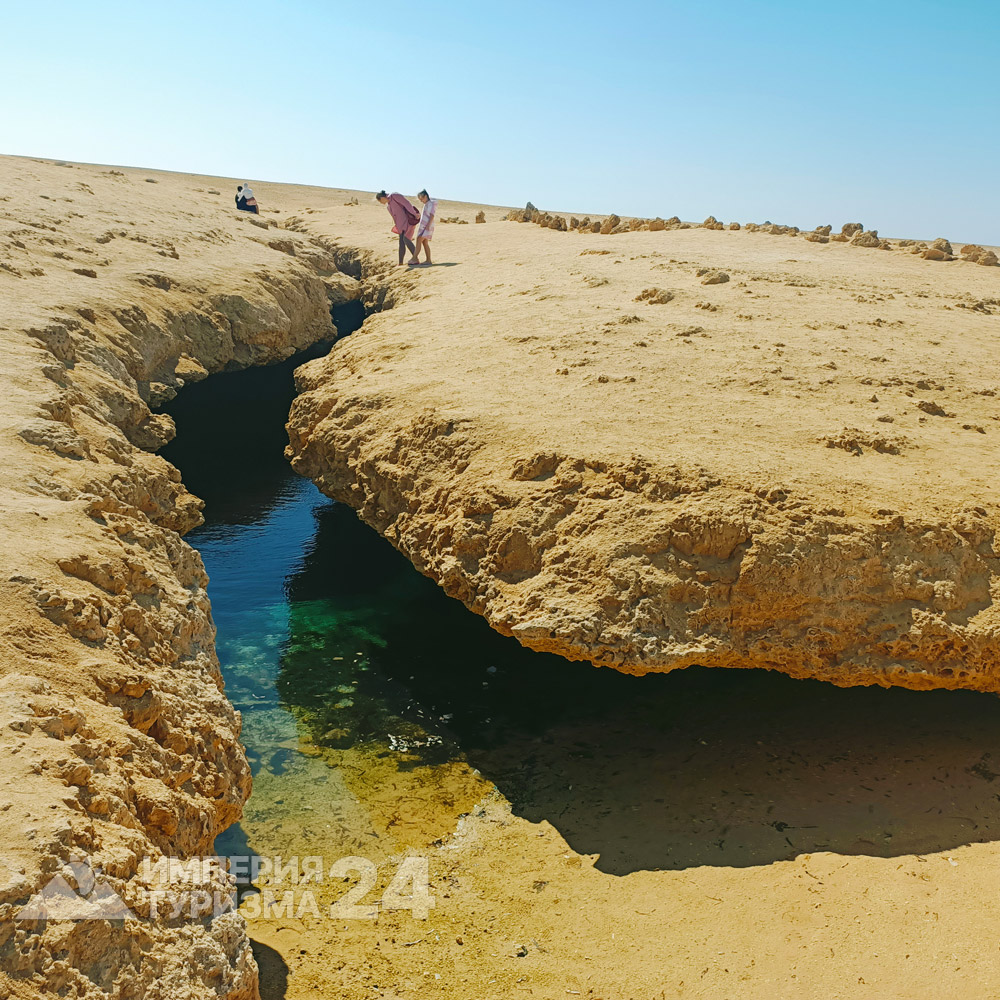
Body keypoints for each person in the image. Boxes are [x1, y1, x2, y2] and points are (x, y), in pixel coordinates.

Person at [376, 190, 420, 265]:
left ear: (382, 197)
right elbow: (394, 217)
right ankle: (400, 262)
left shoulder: (394, 196)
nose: (381, 203)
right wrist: (397, 227)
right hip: (400, 226)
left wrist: (414, 213)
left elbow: (407, 204)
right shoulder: (388, 207)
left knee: (406, 239)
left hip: (408, 222)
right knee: (401, 243)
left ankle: (415, 258)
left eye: (380, 201)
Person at [413, 189, 437, 265]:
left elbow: (432, 215)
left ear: (426, 196)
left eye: (422, 199)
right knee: (424, 242)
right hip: (424, 225)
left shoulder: (431, 204)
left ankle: (414, 258)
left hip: (427, 226)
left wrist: (428, 226)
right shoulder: (427, 204)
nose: (421, 201)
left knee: (419, 239)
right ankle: (428, 260)